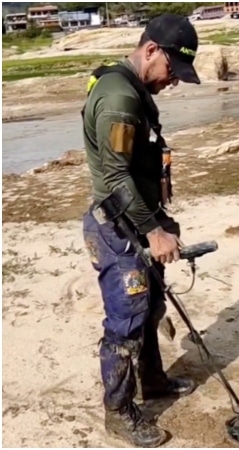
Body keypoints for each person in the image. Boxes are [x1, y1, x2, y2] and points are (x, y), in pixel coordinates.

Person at [81, 14, 202, 447]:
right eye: (172, 71)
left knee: (150, 308)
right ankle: (119, 412)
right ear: (151, 50)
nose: (173, 82)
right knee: (126, 323)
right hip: (118, 229)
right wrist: (153, 232)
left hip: (137, 218)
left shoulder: (129, 87)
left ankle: (152, 379)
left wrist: (159, 219)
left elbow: (136, 165)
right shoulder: (118, 98)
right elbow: (115, 177)